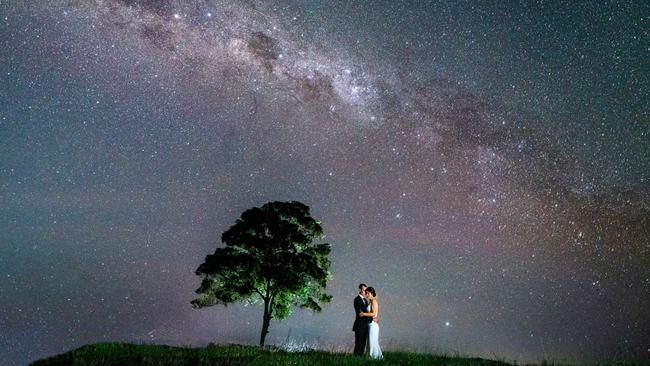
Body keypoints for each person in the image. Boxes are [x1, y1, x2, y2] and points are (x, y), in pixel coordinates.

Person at [358, 286, 382, 359]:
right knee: (370, 342)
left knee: (372, 342)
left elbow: (374, 313)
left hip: (373, 326)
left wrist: (363, 314)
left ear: (372, 293)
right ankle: (374, 357)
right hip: (370, 324)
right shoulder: (370, 301)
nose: (367, 295)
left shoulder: (374, 301)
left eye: (368, 293)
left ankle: (371, 357)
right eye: (366, 293)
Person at [352, 283, 371, 355]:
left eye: (366, 291)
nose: (365, 292)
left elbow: (366, 312)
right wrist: (372, 319)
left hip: (365, 325)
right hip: (359, 325)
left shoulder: (365, 300)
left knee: (363, 343)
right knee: (358, 343)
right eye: (364, 290)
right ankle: (355, 358)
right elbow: (360, 313)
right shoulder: (357, 300)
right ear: (360, 289)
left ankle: (361, 358)